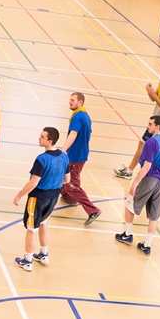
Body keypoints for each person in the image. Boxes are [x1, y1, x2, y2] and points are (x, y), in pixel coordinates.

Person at [13, 127, 70, 271]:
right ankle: (43, 254)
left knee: (31, 228)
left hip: (38, 198)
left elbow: (33, 183)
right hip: (53, 196)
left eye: (42, 137)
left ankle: (27, 261)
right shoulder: (64, 156)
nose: (39, 138)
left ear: (49, 141)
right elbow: (66, 180)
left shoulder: (42, 159)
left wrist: (19, 194)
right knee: (44, 222)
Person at [115, 116, 160, 256]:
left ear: (157, 126)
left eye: (150, 124)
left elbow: (147, 166)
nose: (148, 126)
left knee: (130, 203)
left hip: (149, 178)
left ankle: (127, 235)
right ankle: (147, 245)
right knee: (155, 215)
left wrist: (135, 182)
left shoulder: (151, 142)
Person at [114, 61, 160, 183]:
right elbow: (154, 98)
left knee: (152, 145)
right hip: (156, 116)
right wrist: (149, 91)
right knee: (147, 144)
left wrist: (154, 95)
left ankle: (131, 171)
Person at [59, 92, 102, 226]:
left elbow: (73, 134)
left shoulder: (77, 117)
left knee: (72, 184)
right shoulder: (85, 115)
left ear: (80, 103)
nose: (69, 102)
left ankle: (92, 210)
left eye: (72, 100)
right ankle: (70, 198)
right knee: (63, 178)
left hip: (76, 156)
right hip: (80, 154)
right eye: (69, 100)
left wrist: (63, 150)